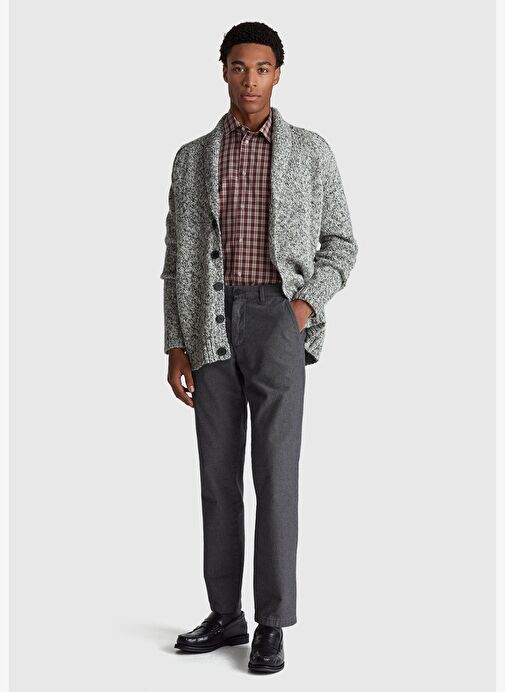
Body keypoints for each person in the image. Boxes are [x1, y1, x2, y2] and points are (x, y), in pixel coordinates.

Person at [161, 21, 358, 674]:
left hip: (278, 319)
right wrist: (176, 343)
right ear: (223, 70)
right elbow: (176, 257)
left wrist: (301, 309)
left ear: (278, 74)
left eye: (263, 68)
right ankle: (226, 615)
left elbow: (341, 243)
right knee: (217, 480)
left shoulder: (310, 151)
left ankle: (272, 622)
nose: (250, 80)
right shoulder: (192, 157)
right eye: (239, 67)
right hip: (209, 324)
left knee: (276, 478)